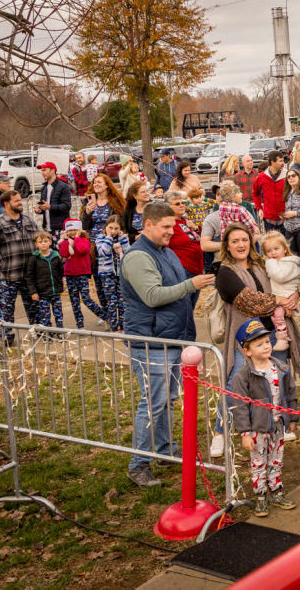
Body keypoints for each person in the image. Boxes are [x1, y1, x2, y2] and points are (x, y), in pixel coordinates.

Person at [121, 203, 214, 488]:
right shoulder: (138, 257)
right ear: (148, 225)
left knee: (166, 399)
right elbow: (152, 295)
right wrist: (191, 286)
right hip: (151, 342)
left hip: (173, 338)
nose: (171, 232)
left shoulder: (166, 251)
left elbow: (179, 284)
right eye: (165, 227)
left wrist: (197, 283)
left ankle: (164, 451)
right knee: (153, 402)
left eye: (172, 226)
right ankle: (138, 464)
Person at [214, 223, 300, 451]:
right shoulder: (225, 272)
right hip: (245, 338)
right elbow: (249, 301)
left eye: (244, 240)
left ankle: (279, 426)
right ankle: (220, 432)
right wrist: (279, 300)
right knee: (236, 383)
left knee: (278, 381)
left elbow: (287, 281)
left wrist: (294, 293)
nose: (241, 245)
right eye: (234, 241)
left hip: (275, 334)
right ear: (227, 245)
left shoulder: (263, 265)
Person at [230, 318, 299, 517]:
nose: (266, 346)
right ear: (248, 351)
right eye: (259, 344)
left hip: (277, 425)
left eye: (267, 341)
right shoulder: (243, 376)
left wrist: (292, 418)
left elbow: (290, 394)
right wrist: (245, 432)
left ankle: (276, 492)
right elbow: (240, 407)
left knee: (276, 460)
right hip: (257, 428)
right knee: (259, 462)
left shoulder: (281, 369)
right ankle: (261, 496)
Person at [0, 189, 42, 343]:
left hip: (29, 276)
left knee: (34, 308)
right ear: (6, 203)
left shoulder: (29, 221)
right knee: (6, 309)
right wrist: (1, 265)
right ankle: (6, 337)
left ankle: (38, 332)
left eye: (20, 200)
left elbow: (39, 243)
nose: (20, 202)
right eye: (16, 201)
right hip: (9, 276)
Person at [58, 220, 107, 329]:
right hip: (70, 275)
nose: (72, 232)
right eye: (69, 230)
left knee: (86, 300)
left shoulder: (84, 240)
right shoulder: (66, 242)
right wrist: (66, 240)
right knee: (75, 303)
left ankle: (105, 317)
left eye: (75, 230)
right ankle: (80, 326)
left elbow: (82, 250)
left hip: (82, 274)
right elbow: (64, 254)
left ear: (80, 230)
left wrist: (77, 238)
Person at [261, 231, 300, 352]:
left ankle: (282, 338)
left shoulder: (288, 263)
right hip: (283, 298)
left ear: (284, 248)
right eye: (268, 251)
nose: (272, 253)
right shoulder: (284, 263)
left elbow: (280, 277)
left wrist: (270, 262)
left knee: (277, 316)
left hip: (285, 297)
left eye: (276, 248)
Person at [94, 216, 129, 332]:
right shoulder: (100, 238)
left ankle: (123, 328)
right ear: (106, 227)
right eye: (110, 228)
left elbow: (129, 253)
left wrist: (123, 239)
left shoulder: (122, 238)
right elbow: (102, 251)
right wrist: (108, 237)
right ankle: (114, 328)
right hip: (107, 274)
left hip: (121, 274)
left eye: (116, 228)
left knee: (122, 302)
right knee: (112, 303)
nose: (113, 231)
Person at [24, 231, 64, 329]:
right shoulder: (34, 259)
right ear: (36, 244)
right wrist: (33, 292)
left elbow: (61, 272)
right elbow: (30, 277)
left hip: (55, 292)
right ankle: (47, 334)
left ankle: (60, 332)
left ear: (50, 242)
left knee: (59, 315)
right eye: (40, 242)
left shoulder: (56, 256)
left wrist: (62, 283)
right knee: (45, 316)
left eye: (45, 241)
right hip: (42, 293)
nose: (43, 243)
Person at [163, 190, 204, 279]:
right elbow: (164, 249)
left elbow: (201, 238)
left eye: (183, 202)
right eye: (177, 204)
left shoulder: (186, 221)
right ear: (168, 207)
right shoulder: (168, 225)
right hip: (183, 270)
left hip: (197, 269)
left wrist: (196, 228)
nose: (182, 205)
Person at [254, 150, 288, 234]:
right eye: (280, 161)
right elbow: (255, 192)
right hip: (269, 219)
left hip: (285, 218)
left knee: (286, 245)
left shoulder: (288, 175)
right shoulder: (261, 176)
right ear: (272, 162)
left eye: (283, 160)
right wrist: (259, 208)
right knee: (270, 245)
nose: (283, 163)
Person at [33, 162, 71, 235]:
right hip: (47, 229)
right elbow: (45, 206)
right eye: (41, 171)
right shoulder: (44, 188)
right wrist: (39, 210)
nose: (42, 173)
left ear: (52, 171)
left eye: (44, 170)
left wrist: (50, 207)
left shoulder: (63, 187)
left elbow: (66, 206)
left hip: (60, 229)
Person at [281, 167, 300, 253]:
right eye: (288, 177)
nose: (291, 178)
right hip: (288, 229)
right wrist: (285, 215)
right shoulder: (288, 192)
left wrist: (295, 213)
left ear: (299, 177)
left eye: (293, 176)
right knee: (292, 256)